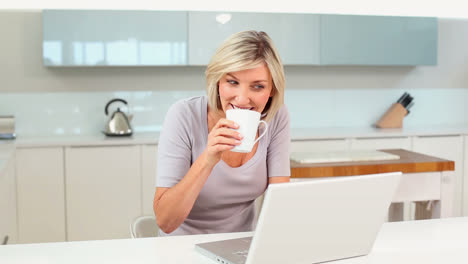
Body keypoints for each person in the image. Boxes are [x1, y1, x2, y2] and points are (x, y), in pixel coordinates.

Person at [153, 30, 290, 236]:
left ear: (272, 90)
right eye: (232, 82)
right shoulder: (184, 115)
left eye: (258, 86)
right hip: (180, 248)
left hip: (242, 248)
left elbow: (280, 204)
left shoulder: (275, 117)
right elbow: (165, 221)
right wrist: (208, 158)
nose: (243, 99)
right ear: (217, 82)